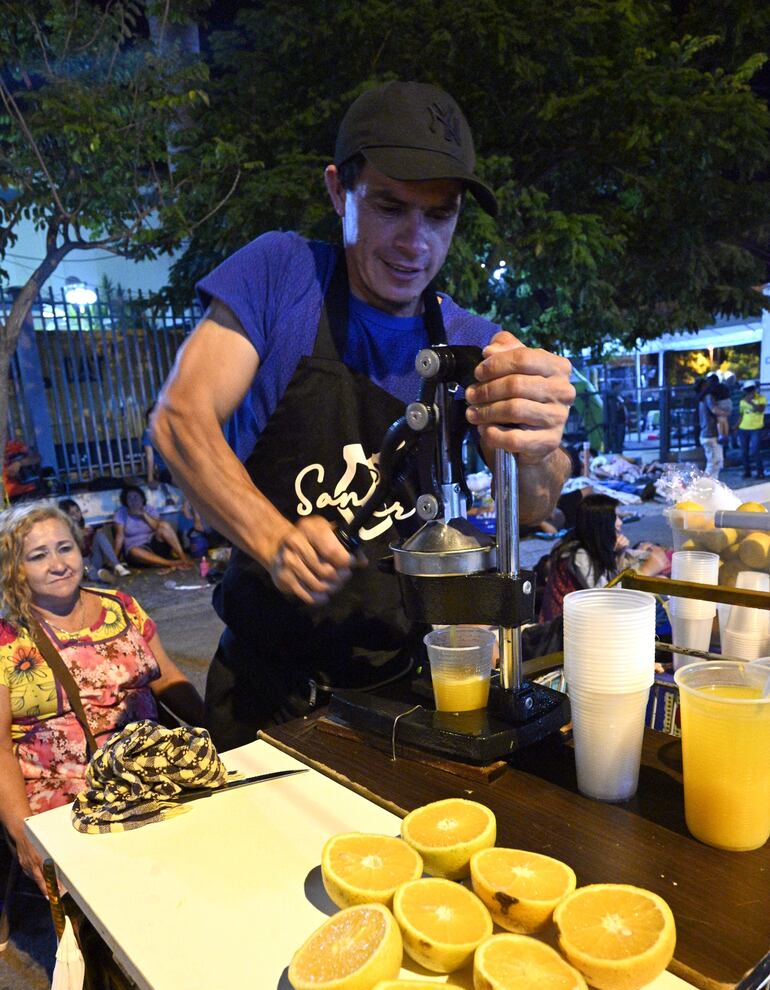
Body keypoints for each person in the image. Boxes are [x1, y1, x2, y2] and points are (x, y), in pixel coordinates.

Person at [152, 80, 575, 746]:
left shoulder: (468, 339)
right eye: (390, 206)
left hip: (407, 693)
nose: (416, 242)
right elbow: (180, 419)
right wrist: (274, 537)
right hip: (269, 697)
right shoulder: (280, 276)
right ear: (337, 192)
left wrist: (537, 444)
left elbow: (536, 502)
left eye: (440, 215)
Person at [0, 503, 205, 893]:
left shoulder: (121, 607)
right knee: (122, 888)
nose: (58, 564)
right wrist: (24, 833)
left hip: (147, 767)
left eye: (65, 548)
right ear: (15, 569)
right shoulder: (7, 639)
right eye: (38, 555)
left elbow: (168, 678)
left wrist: (219, 735)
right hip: (64, 788)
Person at [539, 493, 669, 622]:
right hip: (569, 627)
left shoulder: (593, 543)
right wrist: (644, 572)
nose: (620, 523)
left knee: (659, 584)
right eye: (615, 517)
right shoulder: (578, 555)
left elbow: (612, 578)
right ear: (602, 523)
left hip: (588, 616)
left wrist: (620, 554)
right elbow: (606, 598)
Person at [113, 485, 193, 570]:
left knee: (164, 525)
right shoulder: (121, 513)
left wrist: (143, 514)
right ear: (126, 502)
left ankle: (183, 557)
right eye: (129, 498)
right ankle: (171, 563)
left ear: (142, 499)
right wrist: (114, 560)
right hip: (136, 551)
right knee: (134, 551)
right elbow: (119, 537)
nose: (133, 500)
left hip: (154, 545)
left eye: (136, 497)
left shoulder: (149, 509)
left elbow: (157, 526)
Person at [58, 498, 131, 583]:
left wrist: (91, 536)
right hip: (81, 564)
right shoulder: (63, 532)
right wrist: (78, 537)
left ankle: (117, 566)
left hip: (93, 559)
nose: (77, 515)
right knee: (87, 567)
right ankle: (100, 576)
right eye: (72, 514)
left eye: (77, 511)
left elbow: (90, 549)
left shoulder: (85, 526)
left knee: (99, 535)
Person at [697, 373, 725, 479]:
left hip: (707, 434)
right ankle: (705, 486)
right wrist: (725, 413)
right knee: (714, 463)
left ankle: (711, 486)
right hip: (710, 434)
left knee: (715, 462)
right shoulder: (708, 397)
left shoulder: (701, 398)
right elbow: (715, 410)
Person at [738, 380, 767, 480]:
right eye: (748, 390)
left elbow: (761, 409)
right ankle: (747, 471)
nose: (750, 392)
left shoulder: (761, 398)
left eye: (751, 389)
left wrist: (751, 402)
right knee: (744, 452)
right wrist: (735, 426)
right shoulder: (742, 401)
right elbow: (741, 415)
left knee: (755, 450)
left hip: (756, 429)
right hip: (743, 429)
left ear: (755, 389)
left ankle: (760, 472)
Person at [143, 402, 173, 488]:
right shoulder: (148, 433)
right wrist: (150, 479)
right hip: (165, 470)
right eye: (150, 421)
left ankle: (186, 501)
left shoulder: (172, 431)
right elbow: (150, 457)